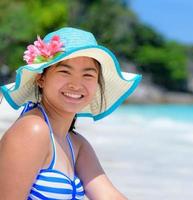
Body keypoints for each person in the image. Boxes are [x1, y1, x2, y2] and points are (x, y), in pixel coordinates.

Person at [0, 27, 142, 199]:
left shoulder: (77, 144)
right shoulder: (33, 130)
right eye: (65, 72)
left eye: (88, 75)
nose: (76, 84)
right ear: (41, 79)